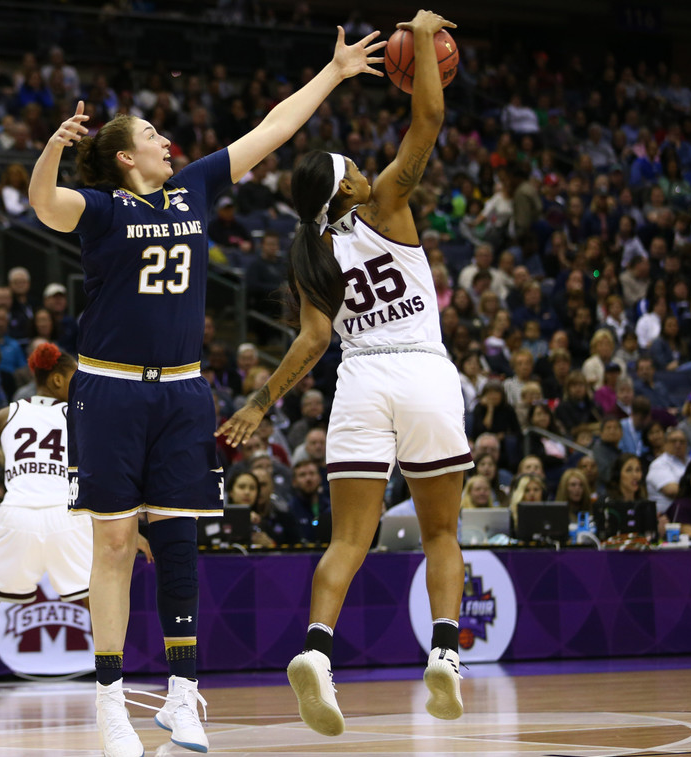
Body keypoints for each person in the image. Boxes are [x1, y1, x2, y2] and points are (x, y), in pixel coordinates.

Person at [29, 22, 385, 756]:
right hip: (111, 390)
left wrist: (335, 70)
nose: (169, 141)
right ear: (127, 156)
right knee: (118, 542)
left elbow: (274, 129)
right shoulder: (101, 211)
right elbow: (42, 205)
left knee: (181, 543)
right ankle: (109, 705)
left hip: (184, 392)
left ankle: (184, 697)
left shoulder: (193, 186)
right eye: (154, 134)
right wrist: (55, 147)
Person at [217, 11, 467, 735]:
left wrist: (263, 399)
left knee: (346, 542)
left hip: (358, 381)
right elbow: (429, 114)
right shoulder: (387, 202)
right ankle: (445, 654)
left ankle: (318, 655)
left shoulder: (308, 253)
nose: (362, 166)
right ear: (348, 189)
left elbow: (312, 342)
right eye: (352, 167)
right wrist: (421, 39)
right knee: (441, 532)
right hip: (421, 372)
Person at [0, 344, 152, 722]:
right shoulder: (83, 414)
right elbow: (109, 474)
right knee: (98, 607)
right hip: (67, 515)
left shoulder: (5, 414)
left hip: (17, 515)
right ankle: (110, 693)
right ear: (59, 379)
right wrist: (131, 527)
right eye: (77, 376)